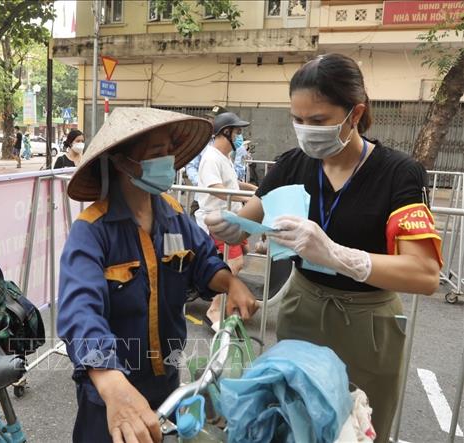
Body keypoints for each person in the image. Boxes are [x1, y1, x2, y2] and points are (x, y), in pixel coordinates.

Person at [206, 53, 442, 443]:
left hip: (368, 325)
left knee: (362, 428)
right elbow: (248, 217)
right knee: (296, 423)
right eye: (297, 120)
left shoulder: (399, 174)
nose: (305, 131)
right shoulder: (293, 165)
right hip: (303, 313)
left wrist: (337, 255)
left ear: (355, 113)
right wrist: (229, 226)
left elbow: (425, 274)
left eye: (317, 121)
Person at [58, 107, 258, 443]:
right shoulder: (91, 231)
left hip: (167, 382)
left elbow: (203, 261)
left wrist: (231, 283)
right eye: (155, 154)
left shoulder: (175, 215)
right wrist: (111, 383)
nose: (167, 160)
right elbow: (80, 313)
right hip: (110, 393)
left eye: (168, 151)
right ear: (123, 163)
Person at [194, 112, 257, 331]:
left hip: (232, 219)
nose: (240, 137)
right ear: (226, 132)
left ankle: (227, 300)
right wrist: (249, 199)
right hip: (218, 221)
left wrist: (253, 189)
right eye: (238, 132)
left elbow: (231, 182)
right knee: (235, 263)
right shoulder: (210, 157)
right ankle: (214, 309)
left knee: (243, 255)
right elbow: (217, 189)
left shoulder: (224, 157)